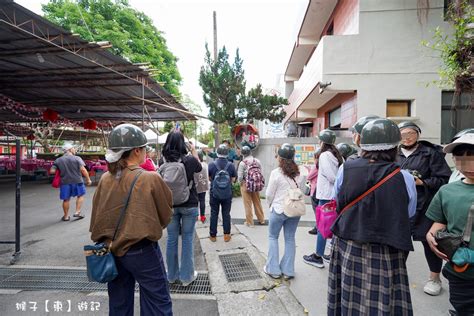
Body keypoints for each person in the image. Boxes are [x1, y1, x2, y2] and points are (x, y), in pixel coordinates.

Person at [328, 118, 417, 315]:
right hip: (387, 248)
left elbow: (338, 199)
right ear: (395, 147)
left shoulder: (346, 169)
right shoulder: (405, 177)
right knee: (383, 299)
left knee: (348, 294)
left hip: (349, 242)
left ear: (363, 144)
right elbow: (409, 212)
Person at [89, 123, 173, 315]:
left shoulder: (105, 178)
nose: (146, 152)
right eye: (144, 149)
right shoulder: (150, 178)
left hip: (110, 249)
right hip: (142, 249)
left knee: (119, 303)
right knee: (156, 301)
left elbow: (97, 215)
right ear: (136, 151)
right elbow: (166, 215)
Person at [396, 121, 451, 296]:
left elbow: (444, 179)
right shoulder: (392, 153)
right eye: (403, 134)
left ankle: (435, 278)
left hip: (425, 205)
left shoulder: (430, 153)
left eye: (411, 133)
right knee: (398, 242)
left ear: (418, 134)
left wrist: (423, 182)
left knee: (430, 242)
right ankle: (396, 276)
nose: (407, 137)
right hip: (400, 206)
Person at [426, 133, 474, 315]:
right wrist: (432, 236)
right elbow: (439, 222)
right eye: (463, 159)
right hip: (461, 273)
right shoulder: (446, 191)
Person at [161, 131, 202, 286]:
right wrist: (193, 151)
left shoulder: (163, 161)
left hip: (170, 205)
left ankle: (171, 276)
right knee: (187, 239)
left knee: (171, 239)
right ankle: (187, 277)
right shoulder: (190, 160)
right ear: (182, 143)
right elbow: (199, 169)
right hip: (189, 204)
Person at [303, 129, 343, 268]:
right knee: (330, 226)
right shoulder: (335, 154)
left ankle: (318, 256)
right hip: (332, 195)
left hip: (325, 195)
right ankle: (330, 254)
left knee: (322, 226)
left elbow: (331, 176)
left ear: (322, 142)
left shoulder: (324, 155)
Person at [264, 143, 302, 280]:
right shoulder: (298, 173)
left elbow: (269, 194)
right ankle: (288, 270)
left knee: (273, 237)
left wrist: (270, 204)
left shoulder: (276, 173)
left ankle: (273, 269)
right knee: (290, 238)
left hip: (278, 210)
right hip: (294, 210)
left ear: (280, 157)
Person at [50, 143, 91, 221]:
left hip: (65, 182)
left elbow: (52, 171)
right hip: (77, 181)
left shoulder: (58, 160)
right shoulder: (77, 158)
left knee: (66, 199)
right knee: (80, 195)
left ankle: (66, 216)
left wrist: (61, 169)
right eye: (73, 148)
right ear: (70, 150)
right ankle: (77, 212)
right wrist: (88, 179)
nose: (74, 150)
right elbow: (83, 169)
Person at [208, 144, 236, 242]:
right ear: (227, 153)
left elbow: (209, 178)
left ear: (217, 153)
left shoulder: (211, 165)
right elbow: (233, 179)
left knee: (214, 213)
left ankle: (213, 236)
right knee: (226, 214)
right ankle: (227, 235)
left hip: (214, 193)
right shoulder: (231, 165)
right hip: (227, 194)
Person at [238, 145, 265, 226]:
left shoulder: (242, 163)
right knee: (257, 202)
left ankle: (250, 222)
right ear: (250, 152)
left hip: (246, 184)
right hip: (256, 184)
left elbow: (240, 177)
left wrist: (241, 184)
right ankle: (261, 219)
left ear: (242, 154)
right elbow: (261, 172)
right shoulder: (257, 161)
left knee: (247, 204)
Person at [307, 148, 320, 235]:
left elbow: (309, 176)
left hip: (315, 190)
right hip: (319, 190)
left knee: (316, 210)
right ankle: (318, 227)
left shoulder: (316, 166)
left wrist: (309, 169)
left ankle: (317, 228)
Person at [194, 150, 209, 223]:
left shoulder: (194, 164)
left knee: (195, 201)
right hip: (203, 184)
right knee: (202, 200)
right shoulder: (205, 165)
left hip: (195, 185)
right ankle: (202, 216)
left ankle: (196, 216)